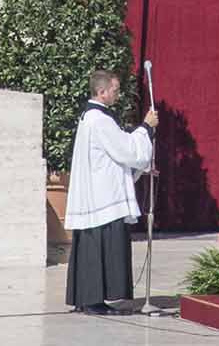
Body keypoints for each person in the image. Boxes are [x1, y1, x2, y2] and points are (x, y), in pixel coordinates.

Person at [64, 68, 156, 314]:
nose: (117, 94)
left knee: (92, 249)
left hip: (96, 193)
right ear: (102, 92)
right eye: (114, 90)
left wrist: (141, 169)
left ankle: (89, 298)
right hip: (104, 197)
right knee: (101, 248)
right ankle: (94, 300)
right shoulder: (100, 119)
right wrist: (146, 128)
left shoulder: (90, 116)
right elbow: (126, 150)